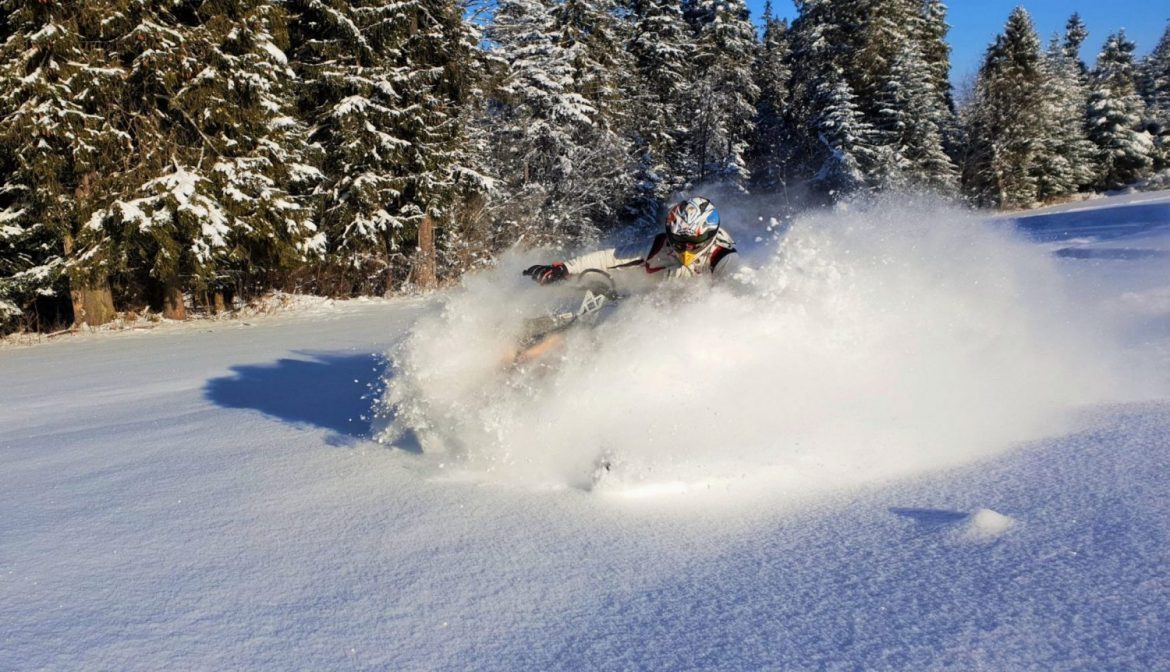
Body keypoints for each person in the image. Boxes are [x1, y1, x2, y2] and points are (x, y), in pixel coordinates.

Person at [523, 196, 739, 288]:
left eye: (693, 243)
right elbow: (612, 256)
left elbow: (733, 301)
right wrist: (564, 268)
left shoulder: (723, 259)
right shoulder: (660, 245)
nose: (685, 249)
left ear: (709, 235)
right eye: (679, 241)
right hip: (648, 297)